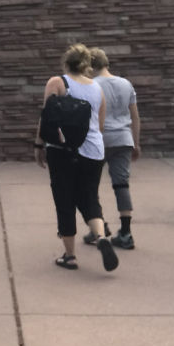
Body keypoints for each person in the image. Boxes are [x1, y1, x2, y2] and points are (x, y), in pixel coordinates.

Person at [34, 43, 119, 274]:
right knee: (89, 197)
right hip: (93, 151)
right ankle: (101, 237)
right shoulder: (97, 89)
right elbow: (99, 127)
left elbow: (47, 117)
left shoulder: (57, 83)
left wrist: (39, 144)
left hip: (62, 151)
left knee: (65, 200)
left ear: (65, 63)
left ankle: (70, 256)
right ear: (86, 66)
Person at [87, 47, 141, 249]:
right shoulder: (125, 84)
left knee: (90, 186)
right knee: (121, 185)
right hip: (123, 138)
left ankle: (97, 229)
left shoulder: (92, 85)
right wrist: (136, 142)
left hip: (99, 140)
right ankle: (126, 233)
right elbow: (135, 116)